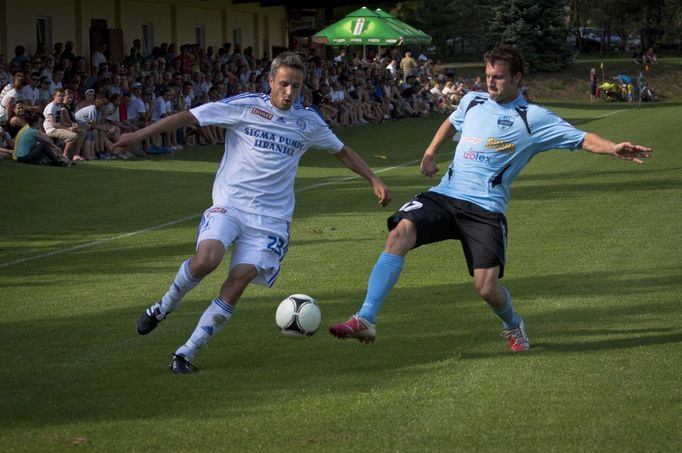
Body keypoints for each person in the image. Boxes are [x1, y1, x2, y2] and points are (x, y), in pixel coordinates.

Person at [328, 44, 651, 352]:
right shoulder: (472, 101)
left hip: (484, 210)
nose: (490, 82)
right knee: (399, 233)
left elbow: (582, 139)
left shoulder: (532, 117)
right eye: (488, 75)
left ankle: (513, 324)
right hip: (445, 195)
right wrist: (429, 153)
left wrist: (612, 147)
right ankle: (366, 317)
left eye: (498, 77)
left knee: (486, 289)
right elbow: (450, 123)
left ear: (517, 79)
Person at [113, 51, 392, 374]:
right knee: (207, 259)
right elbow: (189, 116)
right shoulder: (245, 106)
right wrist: (136, 135)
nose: (290, 92)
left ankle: (186, 352)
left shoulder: (308, 122)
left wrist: (373, 178)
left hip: (271, 222)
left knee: (240, 277)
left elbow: (342, 151)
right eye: (284, 84)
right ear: (271, 81)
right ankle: (162, 307)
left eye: (297, 86)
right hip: (231, 204)